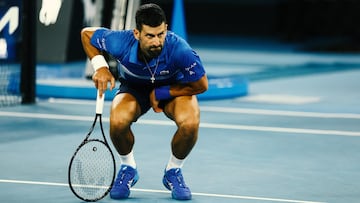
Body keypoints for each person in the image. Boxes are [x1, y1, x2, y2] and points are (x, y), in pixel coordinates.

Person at [80, 3, 208, 200]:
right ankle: (128, 167)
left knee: (190, 123)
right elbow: (87, 34)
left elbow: (201, 85)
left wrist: (163, 92)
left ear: (166, 29)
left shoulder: (179, 49)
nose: (157, 41)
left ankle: (173, 171)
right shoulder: (120, 42)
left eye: (160, 34)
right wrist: (101, 67)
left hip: (172, 88)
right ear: (137, 33)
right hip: (134, 88)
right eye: (150, 36)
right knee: (118, 120)